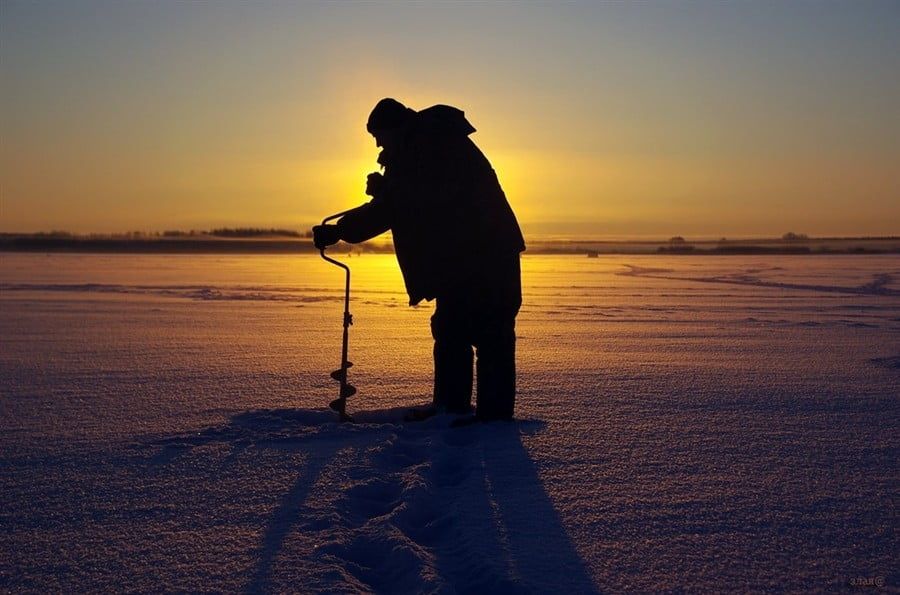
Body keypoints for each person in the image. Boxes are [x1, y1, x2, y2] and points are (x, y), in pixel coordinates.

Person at [314, 98, 525, 423]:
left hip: (485, 256)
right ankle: (450, 409)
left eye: (379, 136)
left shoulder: (432, 145)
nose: (378, 144)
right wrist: (386, 190)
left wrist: (343, 228)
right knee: (452, 329)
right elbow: (414, 199)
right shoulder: (422, 147)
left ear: (396, 128)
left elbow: (407, 203)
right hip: (465, 258)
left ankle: (493, 424)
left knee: (490, 333)